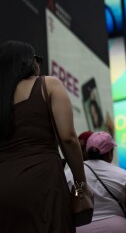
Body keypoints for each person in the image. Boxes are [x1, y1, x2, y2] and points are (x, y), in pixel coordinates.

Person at [0, 40, 87, 232]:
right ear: (27, 62)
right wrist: (81, 186)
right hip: (43, 183)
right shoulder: (48, 84)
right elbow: (68, 138)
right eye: (37, 59)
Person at [66, 131, 126, 233]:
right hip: (116, 228)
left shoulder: (70, 174)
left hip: (81, 228)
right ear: (109, 153)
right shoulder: (123, 175)